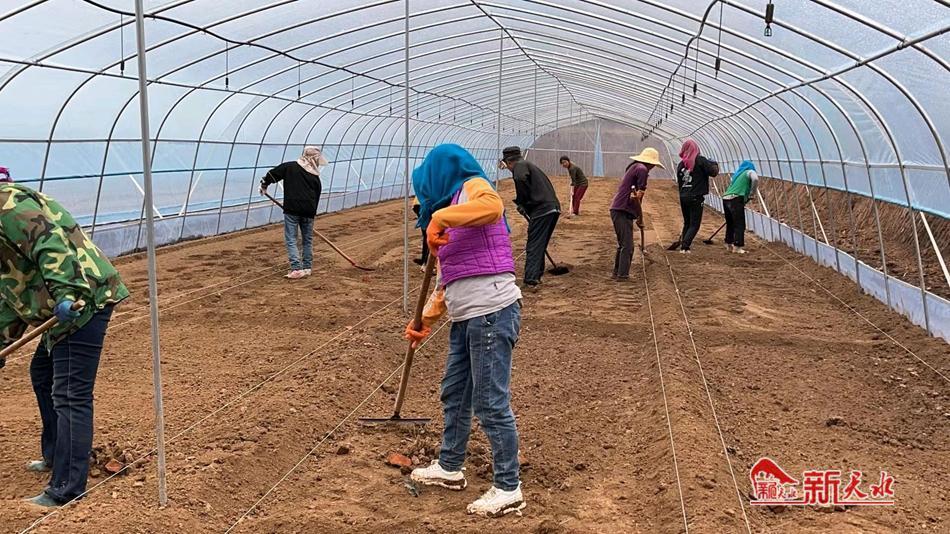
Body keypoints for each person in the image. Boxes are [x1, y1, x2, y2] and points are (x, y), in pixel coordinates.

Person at [405, 144, 525, 518]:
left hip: (492, 312)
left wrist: (441, 217)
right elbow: (448, 283)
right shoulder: (451, 217)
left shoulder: (472, 187)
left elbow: (494, 206)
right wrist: (423, 322)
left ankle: (508, 488)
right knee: (455, 393)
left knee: (490, 402)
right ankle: (450, 466)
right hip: (466, 317)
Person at [0, 182, 129, 507]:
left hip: (82, 302)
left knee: (71, 394)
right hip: (57, 307)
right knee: (42, 375)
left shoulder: (7, 203)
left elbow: (49, 243)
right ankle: (55, 456)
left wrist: (67, 293)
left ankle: (66, 489)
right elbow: (11, 292)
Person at [260, 146, 326, 279]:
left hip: (292, 210)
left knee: (291, 239)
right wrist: (311, 213)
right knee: (307, 240)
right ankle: (307, 267)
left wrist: (264, 185)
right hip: (308, 212)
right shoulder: (315, 177)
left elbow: (272, 174)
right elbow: (317, 196)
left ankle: (296, 268)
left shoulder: (290, 167)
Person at [501, 146, 560, 287]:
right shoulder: (528, 165)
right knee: (540, 243)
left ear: (509, 162)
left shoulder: (520, 166)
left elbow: (520, 178)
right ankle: (536, 274)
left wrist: (522, 203)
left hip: (542, 210)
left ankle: (531, 278)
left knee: (534, 245)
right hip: (552, 208)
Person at [609, 148, 663, 280]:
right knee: (627, 246)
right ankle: (622, 275)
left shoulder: (634, 167)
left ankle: (618, 273)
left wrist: (639, 216)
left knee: (623, 244)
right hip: (622, 210)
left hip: (620, 209)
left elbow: (638, 199)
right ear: (650, 163)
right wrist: (640, 194)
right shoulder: (641, 169)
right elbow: (638, 196)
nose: (652, 168)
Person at [675, 139, 719, 253]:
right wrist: (713, 164)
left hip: (684, 196)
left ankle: (683, 245)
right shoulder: (700, 160)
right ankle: (685, 246)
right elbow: (713, 172)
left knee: (687, 222)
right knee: (695, 224)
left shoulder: (681, 164)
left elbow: (679, 182)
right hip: (696, 196)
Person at [722, 160, 759, 254]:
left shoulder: (737, 175)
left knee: (730, 223)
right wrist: (752, 193)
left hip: (726, 199)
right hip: (735, 198)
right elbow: (755, 179)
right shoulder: (749, 171)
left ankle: (728, 243)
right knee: (739, 224)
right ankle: (737, 246)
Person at [411, 197, 429, 267]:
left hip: (418, 204)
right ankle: (425, 261)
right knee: (429, 234)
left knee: (427, 234)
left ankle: (425, 260)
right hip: (425, 204)